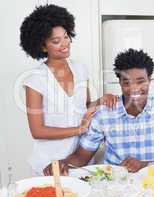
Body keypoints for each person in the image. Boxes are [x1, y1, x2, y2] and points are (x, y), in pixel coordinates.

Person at [43, 48, 154, 175]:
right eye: (127, 82)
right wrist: (62, 164)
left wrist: (144, 165)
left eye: (140, 81)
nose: (134, 88)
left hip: (153, 181)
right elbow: (81, 157)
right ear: (120, 83)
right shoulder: (104, 114)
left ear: (149, 80)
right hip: (115, 185)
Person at [20, 4, 117, 175]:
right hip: (48, 162)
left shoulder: (80, 69)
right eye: (56, 41)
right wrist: (78, 130)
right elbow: (37, 131)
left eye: (66, 37)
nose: (65, 44)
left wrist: (100, 101)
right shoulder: (35, 80)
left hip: (80, 159)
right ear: (43, 46)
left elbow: (84, 107)